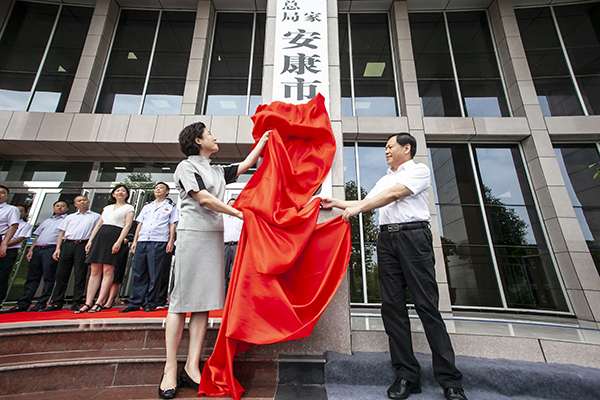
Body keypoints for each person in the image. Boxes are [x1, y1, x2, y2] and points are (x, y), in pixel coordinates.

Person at [321, 133, 467, 400]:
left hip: (414, 237)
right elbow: (369, 200)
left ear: (406, 148)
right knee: (392, 307)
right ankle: (406, 375)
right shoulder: (384, 178)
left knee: (427, 306)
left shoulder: (418, 170)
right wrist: (338, 204)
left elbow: (394, 194)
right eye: (385, 148)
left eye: (390, 146)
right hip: (387, 239)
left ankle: (450, 380)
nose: (386, 151)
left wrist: (358, 209)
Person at [157, 122, 269, 399]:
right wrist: (239, 213)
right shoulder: (186, 167)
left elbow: (245, 164)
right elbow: (204, 198)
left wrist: (266, 139)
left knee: (203, 301)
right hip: (192, 234)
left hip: (212, 236)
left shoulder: (217, 170)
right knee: (182, 300)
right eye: (210, 134)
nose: (215, 138)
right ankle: (170, 368)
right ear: (198, 140)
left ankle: (192, 367)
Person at [120, 182, 178, 313]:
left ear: (167, 191)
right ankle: (135, 302)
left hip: (159, 241)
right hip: (143, 240)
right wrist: (135, 240)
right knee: (138, 271)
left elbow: (172, 225)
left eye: (161, 188)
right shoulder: (147, 206)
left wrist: (170, 241)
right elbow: (140, 224)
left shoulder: (170, 207)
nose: (158, 190)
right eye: (156, 188)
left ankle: (151, 302)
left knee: (155, 273)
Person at [76, 185, 134, 314]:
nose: (120, 192)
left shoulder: (129, 208)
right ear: (113, 194)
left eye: (123, 191)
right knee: (94, 270)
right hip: (100, 236)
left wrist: (119, 241)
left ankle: (99, 302)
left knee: (108, 270)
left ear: (127, 195)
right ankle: (88, 302)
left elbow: (128, 225)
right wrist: (91, 240)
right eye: (118, 190)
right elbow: (98, 224)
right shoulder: (107, 208)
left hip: (115, 235)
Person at [3, 200, 69, 313]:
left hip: (51, 249)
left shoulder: (68, 220)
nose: (59, 208)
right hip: (38, 249)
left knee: (48, 277)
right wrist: (31, 250)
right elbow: (37, 236)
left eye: (62, 206)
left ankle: (42, 303)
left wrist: (58, 249)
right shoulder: (47, 221)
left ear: (67, 209)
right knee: (32, 277)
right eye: (57, 206)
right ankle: (23, 303)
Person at [42, 195, 100, 312]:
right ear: (75, 205)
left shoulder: (96, 216)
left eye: (84, 200)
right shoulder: (70, 217)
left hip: (83, 244)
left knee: (80, 274)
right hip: (68, 245)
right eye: (79, 201)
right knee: (61, 274)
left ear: (88, 202)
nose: (82, 202)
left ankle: (76, 302)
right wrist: (58, 248)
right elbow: (61, 234)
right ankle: (57, 302)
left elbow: (96, 232)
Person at [103, 220, 137, 309]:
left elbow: (129, 237)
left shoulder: (131, 223)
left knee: (116, 275)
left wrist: (118, 242)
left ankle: (111, 299)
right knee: (104, 273)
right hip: (107, 248)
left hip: (120, 249)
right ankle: (102, 298)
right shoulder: (110, 222)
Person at [0, 185, 20, 308]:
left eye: (2, 193)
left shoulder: (11, 209)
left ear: (7, 196)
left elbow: (13, 226)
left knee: (2, 274)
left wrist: (4, 243)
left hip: (2, 240)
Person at [223, 198, 242, 295]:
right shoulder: (223, 218)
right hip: (225, 246)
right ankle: (222, 298)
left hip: (237, 246)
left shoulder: (240, 218)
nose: (231, 206)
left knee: (236, 272)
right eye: (229, 204)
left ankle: (233, 296)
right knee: (223, 273)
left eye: (234, 204)